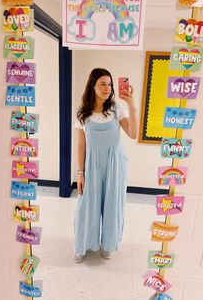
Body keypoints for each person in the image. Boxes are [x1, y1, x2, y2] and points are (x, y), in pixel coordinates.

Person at [74, 68, 138, 263]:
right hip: (92, 165)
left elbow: (133, 133)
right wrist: (80, 173)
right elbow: (80, 145)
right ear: (92, 86)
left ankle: (108, 244)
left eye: (109, 84)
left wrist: (131, 103)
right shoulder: (83, 114)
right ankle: (82, 245)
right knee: (86, 206)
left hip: (115, 164)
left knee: (112, 205)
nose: (107, 88)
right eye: (103, 84)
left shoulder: (117, 109)